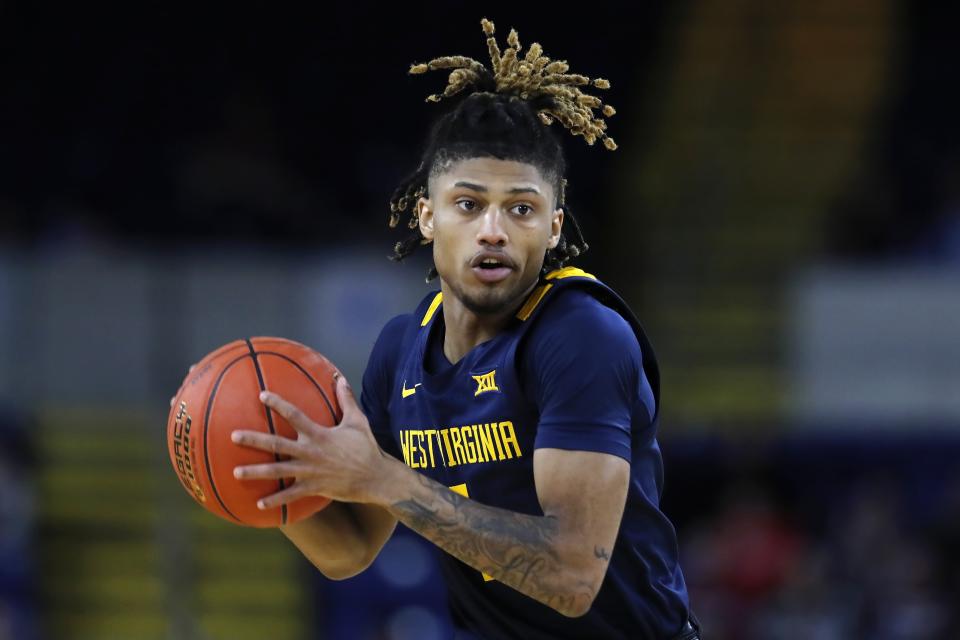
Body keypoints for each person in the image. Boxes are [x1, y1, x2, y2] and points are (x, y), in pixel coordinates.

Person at [230, 18, 699, 640]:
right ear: (427, 216)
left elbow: (570, 578)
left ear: (554, 229)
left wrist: (383, 478)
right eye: (469, 204)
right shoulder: (400, 349)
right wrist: (273, 475)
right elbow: (349, 552)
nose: (494, 231)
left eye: (522, 208)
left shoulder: (581, 337)